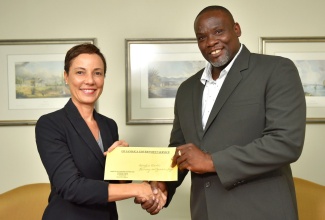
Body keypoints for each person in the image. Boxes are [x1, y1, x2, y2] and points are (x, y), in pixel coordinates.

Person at [137, 5, 306, 220]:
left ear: (236, 29)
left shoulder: (276, 70)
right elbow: (180, 150)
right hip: (205, 212)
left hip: (262, 211)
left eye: (218, 31)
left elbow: (286, 142)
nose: (210, 42)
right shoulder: (187, 89)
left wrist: (211, 161)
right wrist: (163, 185)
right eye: (202, 37)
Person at [35, 43, 164, 220]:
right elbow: (71, 187)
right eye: (80, 72)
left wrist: (122, 161)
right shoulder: (50, 124)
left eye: (97, 73)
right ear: (66, 76)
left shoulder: (109, 125)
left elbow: (116, 183)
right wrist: (139, 189)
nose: (90, 80)